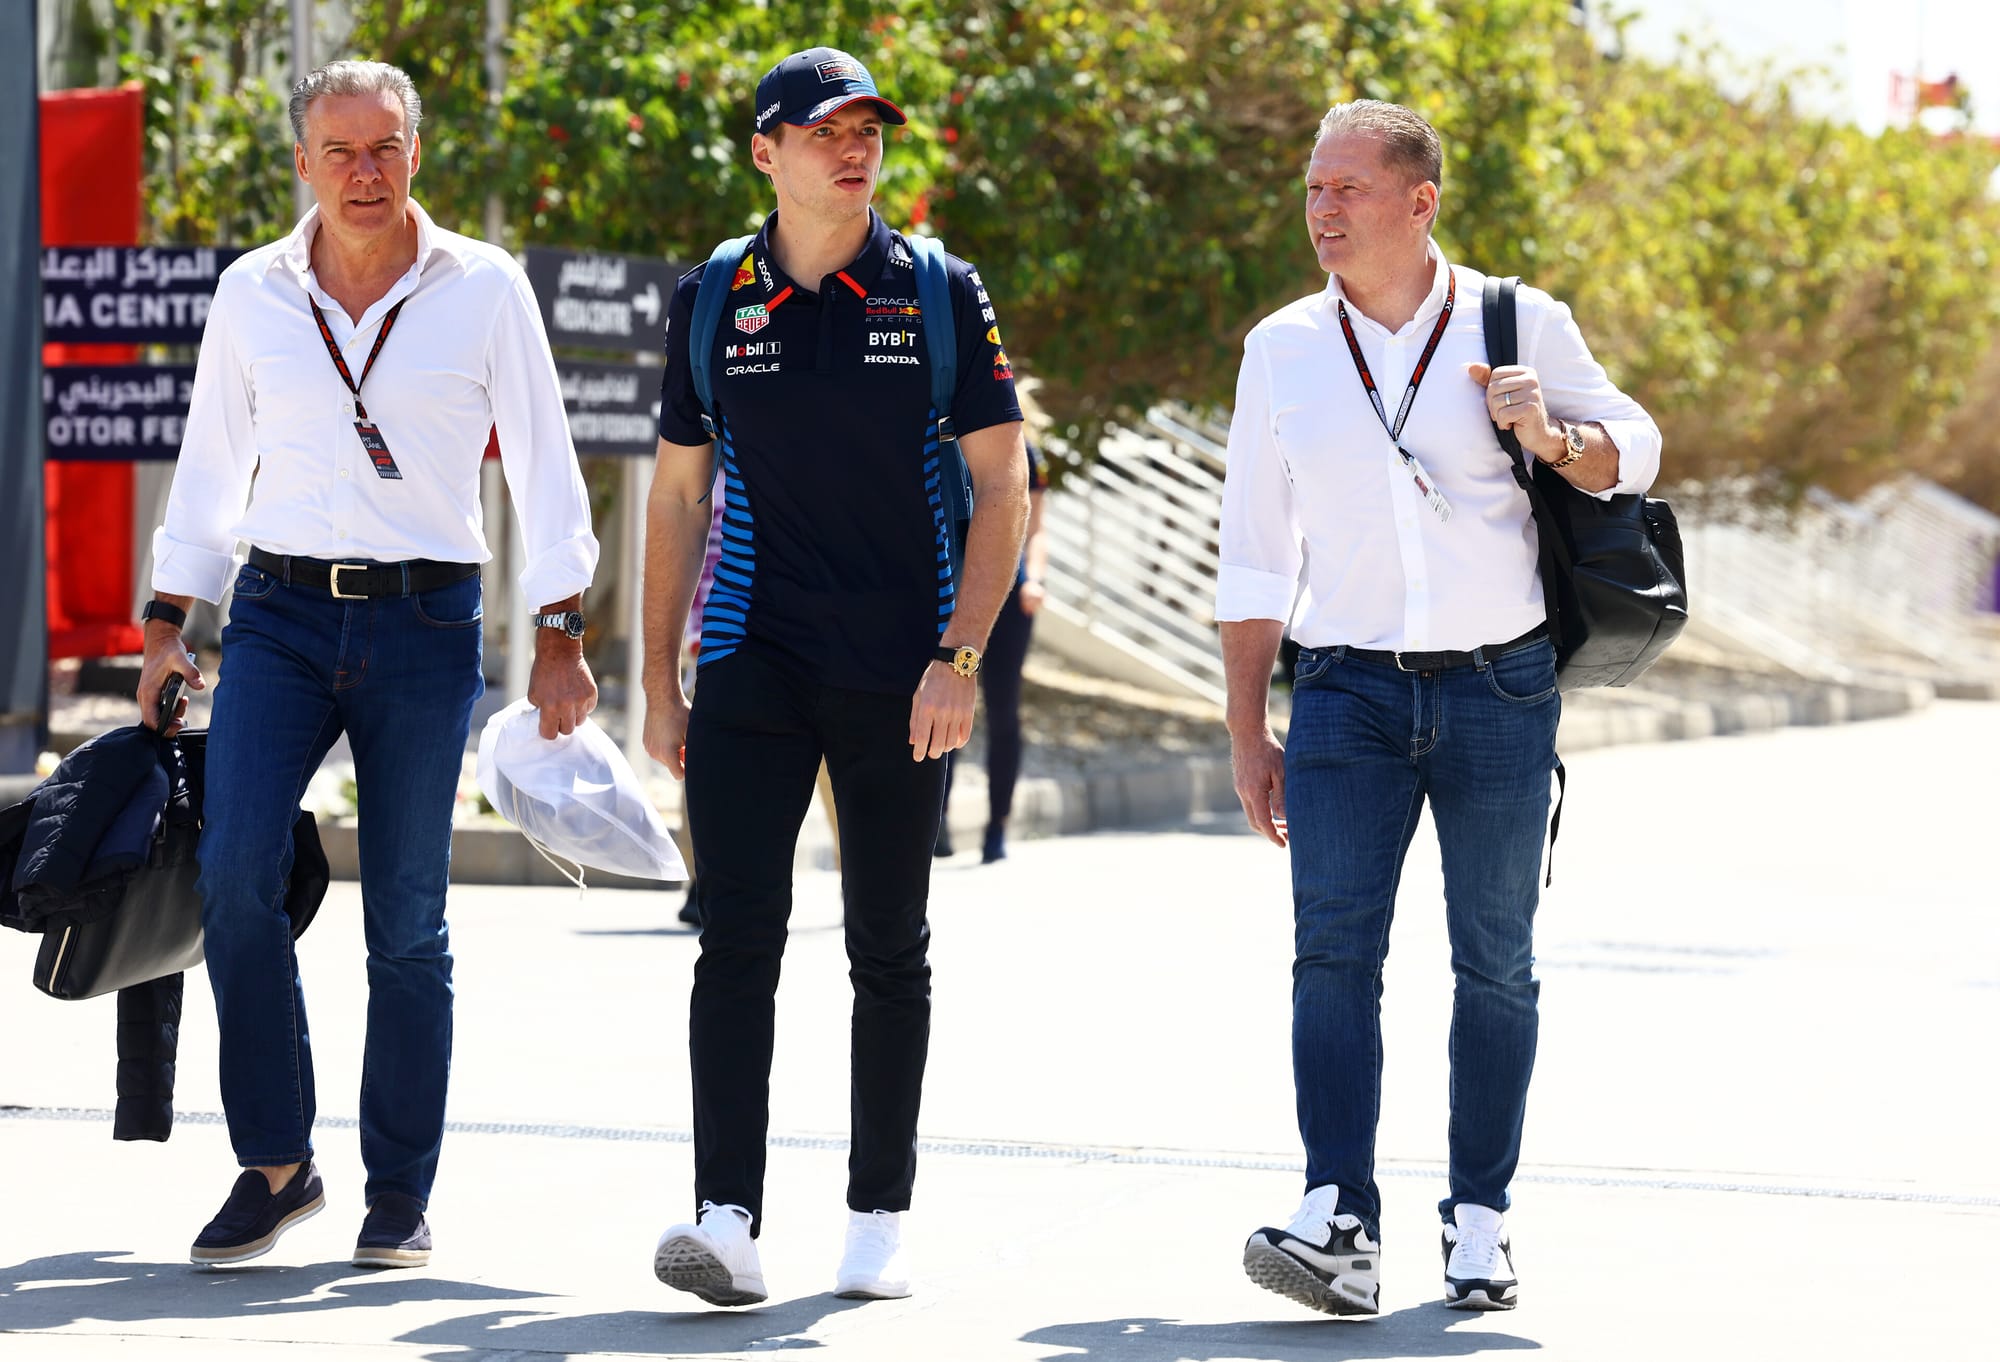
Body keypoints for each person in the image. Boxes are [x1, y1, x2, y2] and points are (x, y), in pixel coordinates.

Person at [136, 59, 599, 1270]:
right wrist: (166, 619)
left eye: (384, 147)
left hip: (424, 626)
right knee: (234, 874)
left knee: (406, 919)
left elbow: (546, 465)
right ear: (302, 164)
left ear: (415, 153)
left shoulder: (484, 289)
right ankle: (278, 1167)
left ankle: (398, 1192)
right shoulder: (252, 293)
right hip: (279, 617)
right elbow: (207, 466)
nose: (362, 172)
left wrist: (561, 633)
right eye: (338, 151)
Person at [1217, 100, 1660, 1315]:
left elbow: (1637, 445)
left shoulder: (1516, 320)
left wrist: (1550, 429)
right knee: (1330, 956)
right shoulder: (1282, 349)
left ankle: (1479, 1219)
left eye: (1348, 188)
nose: (1321, 210)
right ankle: (1336, 1219)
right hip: (1345, 693)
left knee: (1494, 966)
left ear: (1419, 203)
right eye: (1313, 188)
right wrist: (1246, 727)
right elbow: (1253, 551)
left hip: (1499, 687)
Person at [639, 47, 1027, 1307]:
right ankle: (726, 1217)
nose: (852, 149)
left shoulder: (936, 290)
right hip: (752, 654)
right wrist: (656, 676)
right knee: (733, 935)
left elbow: (1001, 482)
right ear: (766, 151)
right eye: (824, 131)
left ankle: (876, 1213)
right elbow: (679, 494)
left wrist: (958, 656)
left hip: (901, 667)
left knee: (885, 947)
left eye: (867, 129)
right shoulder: (711, 295)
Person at [936, 442, 1047, 863]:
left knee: (1003, 710)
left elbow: (1036, 528)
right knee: (944, 699)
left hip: (1010, 595)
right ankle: (937, 819)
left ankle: (997, 826)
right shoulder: (943, 438)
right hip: (950, 589)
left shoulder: (1027, 452)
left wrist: (1034, 579)